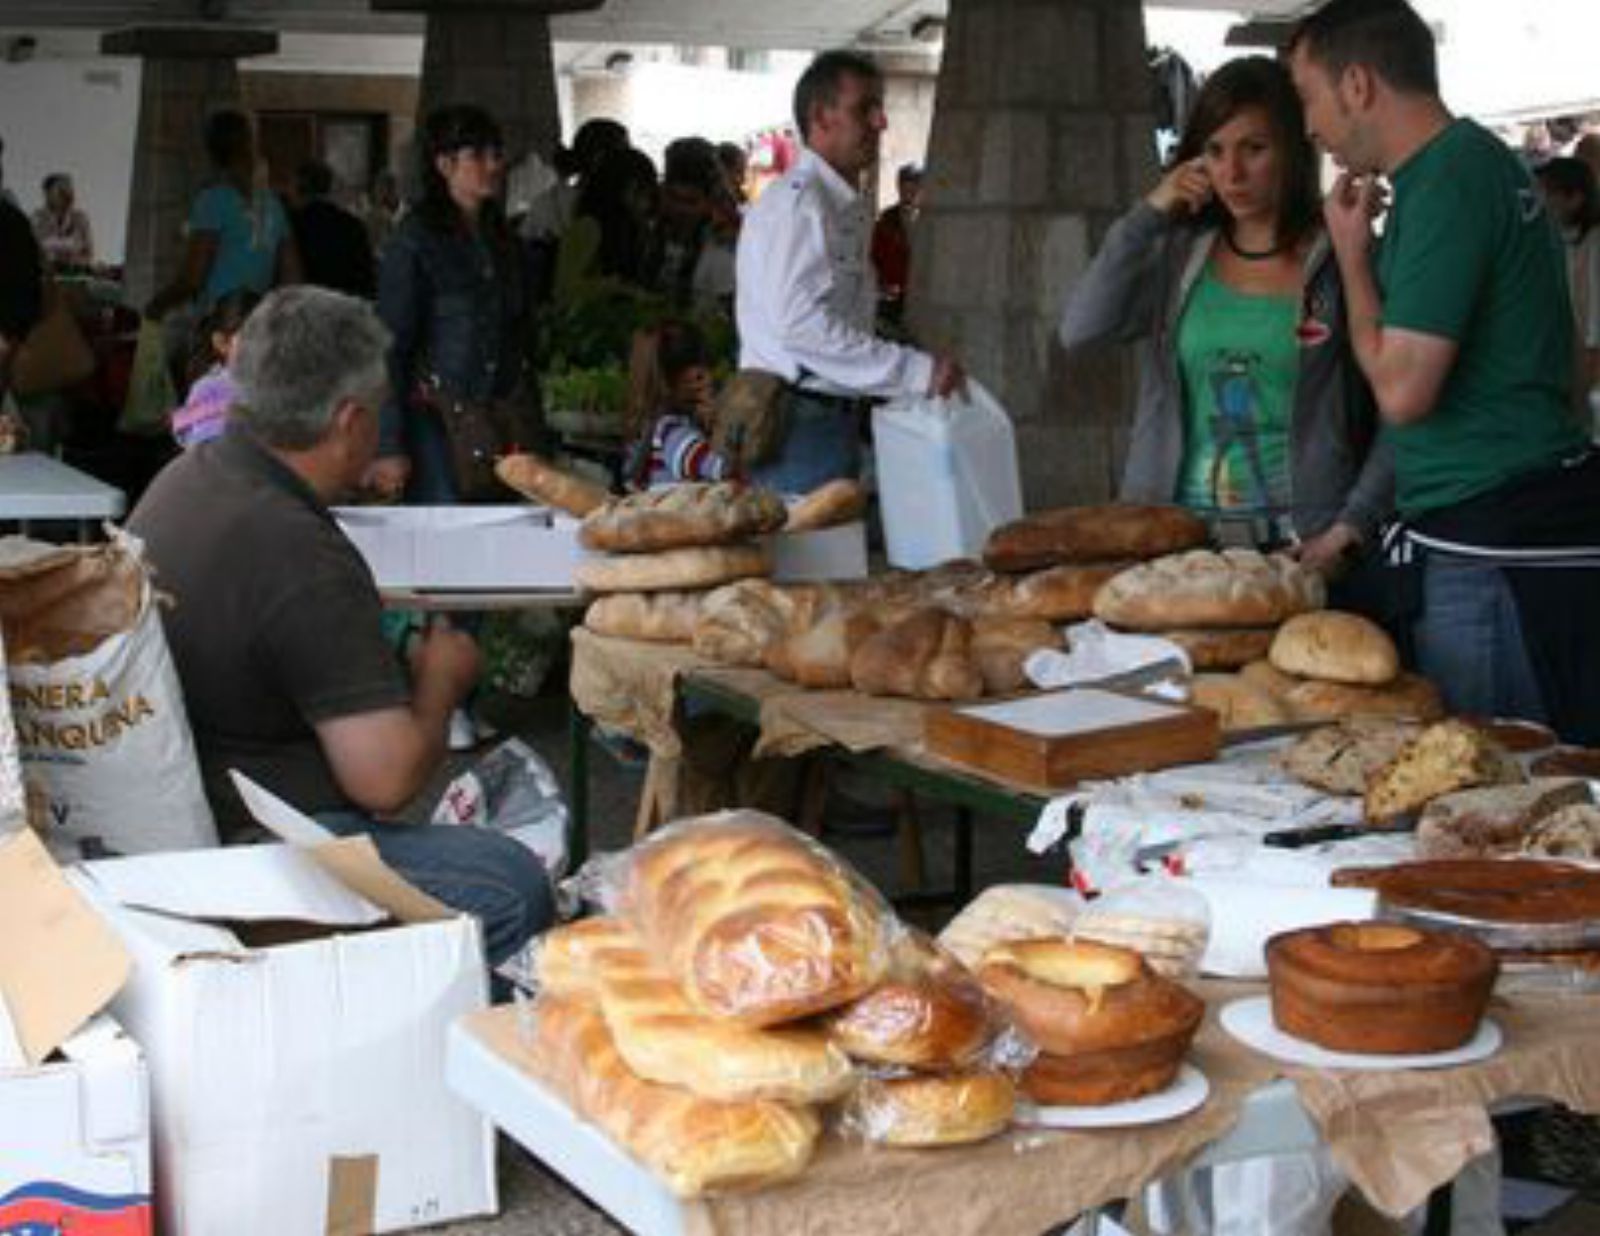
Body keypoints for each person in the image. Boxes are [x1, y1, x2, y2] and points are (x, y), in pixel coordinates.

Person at [125, 286, 552, 968]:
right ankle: (417, 1052)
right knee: (511, 884)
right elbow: (383, 780)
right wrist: (442, 684)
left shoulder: (184, 478)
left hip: (179, 809)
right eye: (378, 420)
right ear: (351, 422)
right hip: (254, 842)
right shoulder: (300, 550)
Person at [1289, 0, 1600, 743]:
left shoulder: (1449, 181)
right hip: (1507, 527)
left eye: (1309, 98)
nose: (1310, 127)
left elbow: (1403, 390)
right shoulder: (1475, 168)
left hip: (1491, 549)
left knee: (1494, 800)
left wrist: (1355, 258)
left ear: (1357, 84)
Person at [1058, 56, 1391, 587]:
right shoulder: (1177, 256)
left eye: (1253, 149)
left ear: (1293, 149)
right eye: (1215, 151)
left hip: (1304, 547)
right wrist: (1147, 215)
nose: (1232, 173)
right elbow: (1080, 328)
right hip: (1172, 545)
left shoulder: (1342, 258)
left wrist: (1352, 525)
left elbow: (1399, 408)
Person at [735, 49, 964, 495]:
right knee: (811, 560)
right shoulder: (800, 206)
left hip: (825, 414)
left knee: (831, 556)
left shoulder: (835, 203)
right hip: (799, 419)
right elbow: (800, 326)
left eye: (880, 109)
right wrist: (913, 371)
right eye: (865, 109)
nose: (880, 123)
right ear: (821, 117)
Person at [372, 104, 535, 505]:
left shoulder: (506, 241)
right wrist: (388, 443)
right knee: (445, 536)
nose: (493, 165)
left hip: (499, 416)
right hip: (435, 419)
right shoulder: (414, 240)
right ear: (444, 164)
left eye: (496, 154)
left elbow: (522, 338)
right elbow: (390, 345)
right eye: (478, 155)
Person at [145, 110, 301, 322]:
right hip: (257, 324)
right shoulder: (273, 205)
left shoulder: (214, 200)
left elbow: (193, 277)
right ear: (251, 146)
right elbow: (292, 279)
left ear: (211, 150)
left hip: (220, 325)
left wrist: (157, 305)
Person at [623, 319, 731, 487]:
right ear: (697, 376)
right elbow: (721, 469)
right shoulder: (672, 432)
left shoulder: (659, 427)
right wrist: (723, 424)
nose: (712, 378)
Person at [1533, 156, 1600, 414]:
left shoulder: (1593, 245)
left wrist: (1578, 398)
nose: (1539, 202)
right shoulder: (1560, 242)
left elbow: (1593, 332)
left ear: (1575, 199)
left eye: (1547, 194)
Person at [170, 289, 260, 448]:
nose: (265, 347)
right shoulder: (209, 389)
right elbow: (204, 451)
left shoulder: (275, 382)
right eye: (252, 339)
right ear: (222, 343)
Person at [291, 159, 377, 299]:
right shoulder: (353, 224)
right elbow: (366, 279)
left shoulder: (292, 224)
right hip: (344, 306)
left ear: (299, 188)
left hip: (304, 306)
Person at [870, 162, 923, 326]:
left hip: (921, 292)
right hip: (894, 294)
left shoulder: (932, 217)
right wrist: (882, 285)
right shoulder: (887, 219)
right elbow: (875, 256)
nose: (909, 192)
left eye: (914, 186)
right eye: (904, 186)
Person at [31, 173, 94, 269]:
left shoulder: (81, 219)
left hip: (75, 274)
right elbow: (31, 253)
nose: (66, 194)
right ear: (47, 193)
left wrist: (74, 260)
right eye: (59, 190)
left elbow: (89, 255)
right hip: (46, 275)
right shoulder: (37, 219)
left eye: (68, 189)